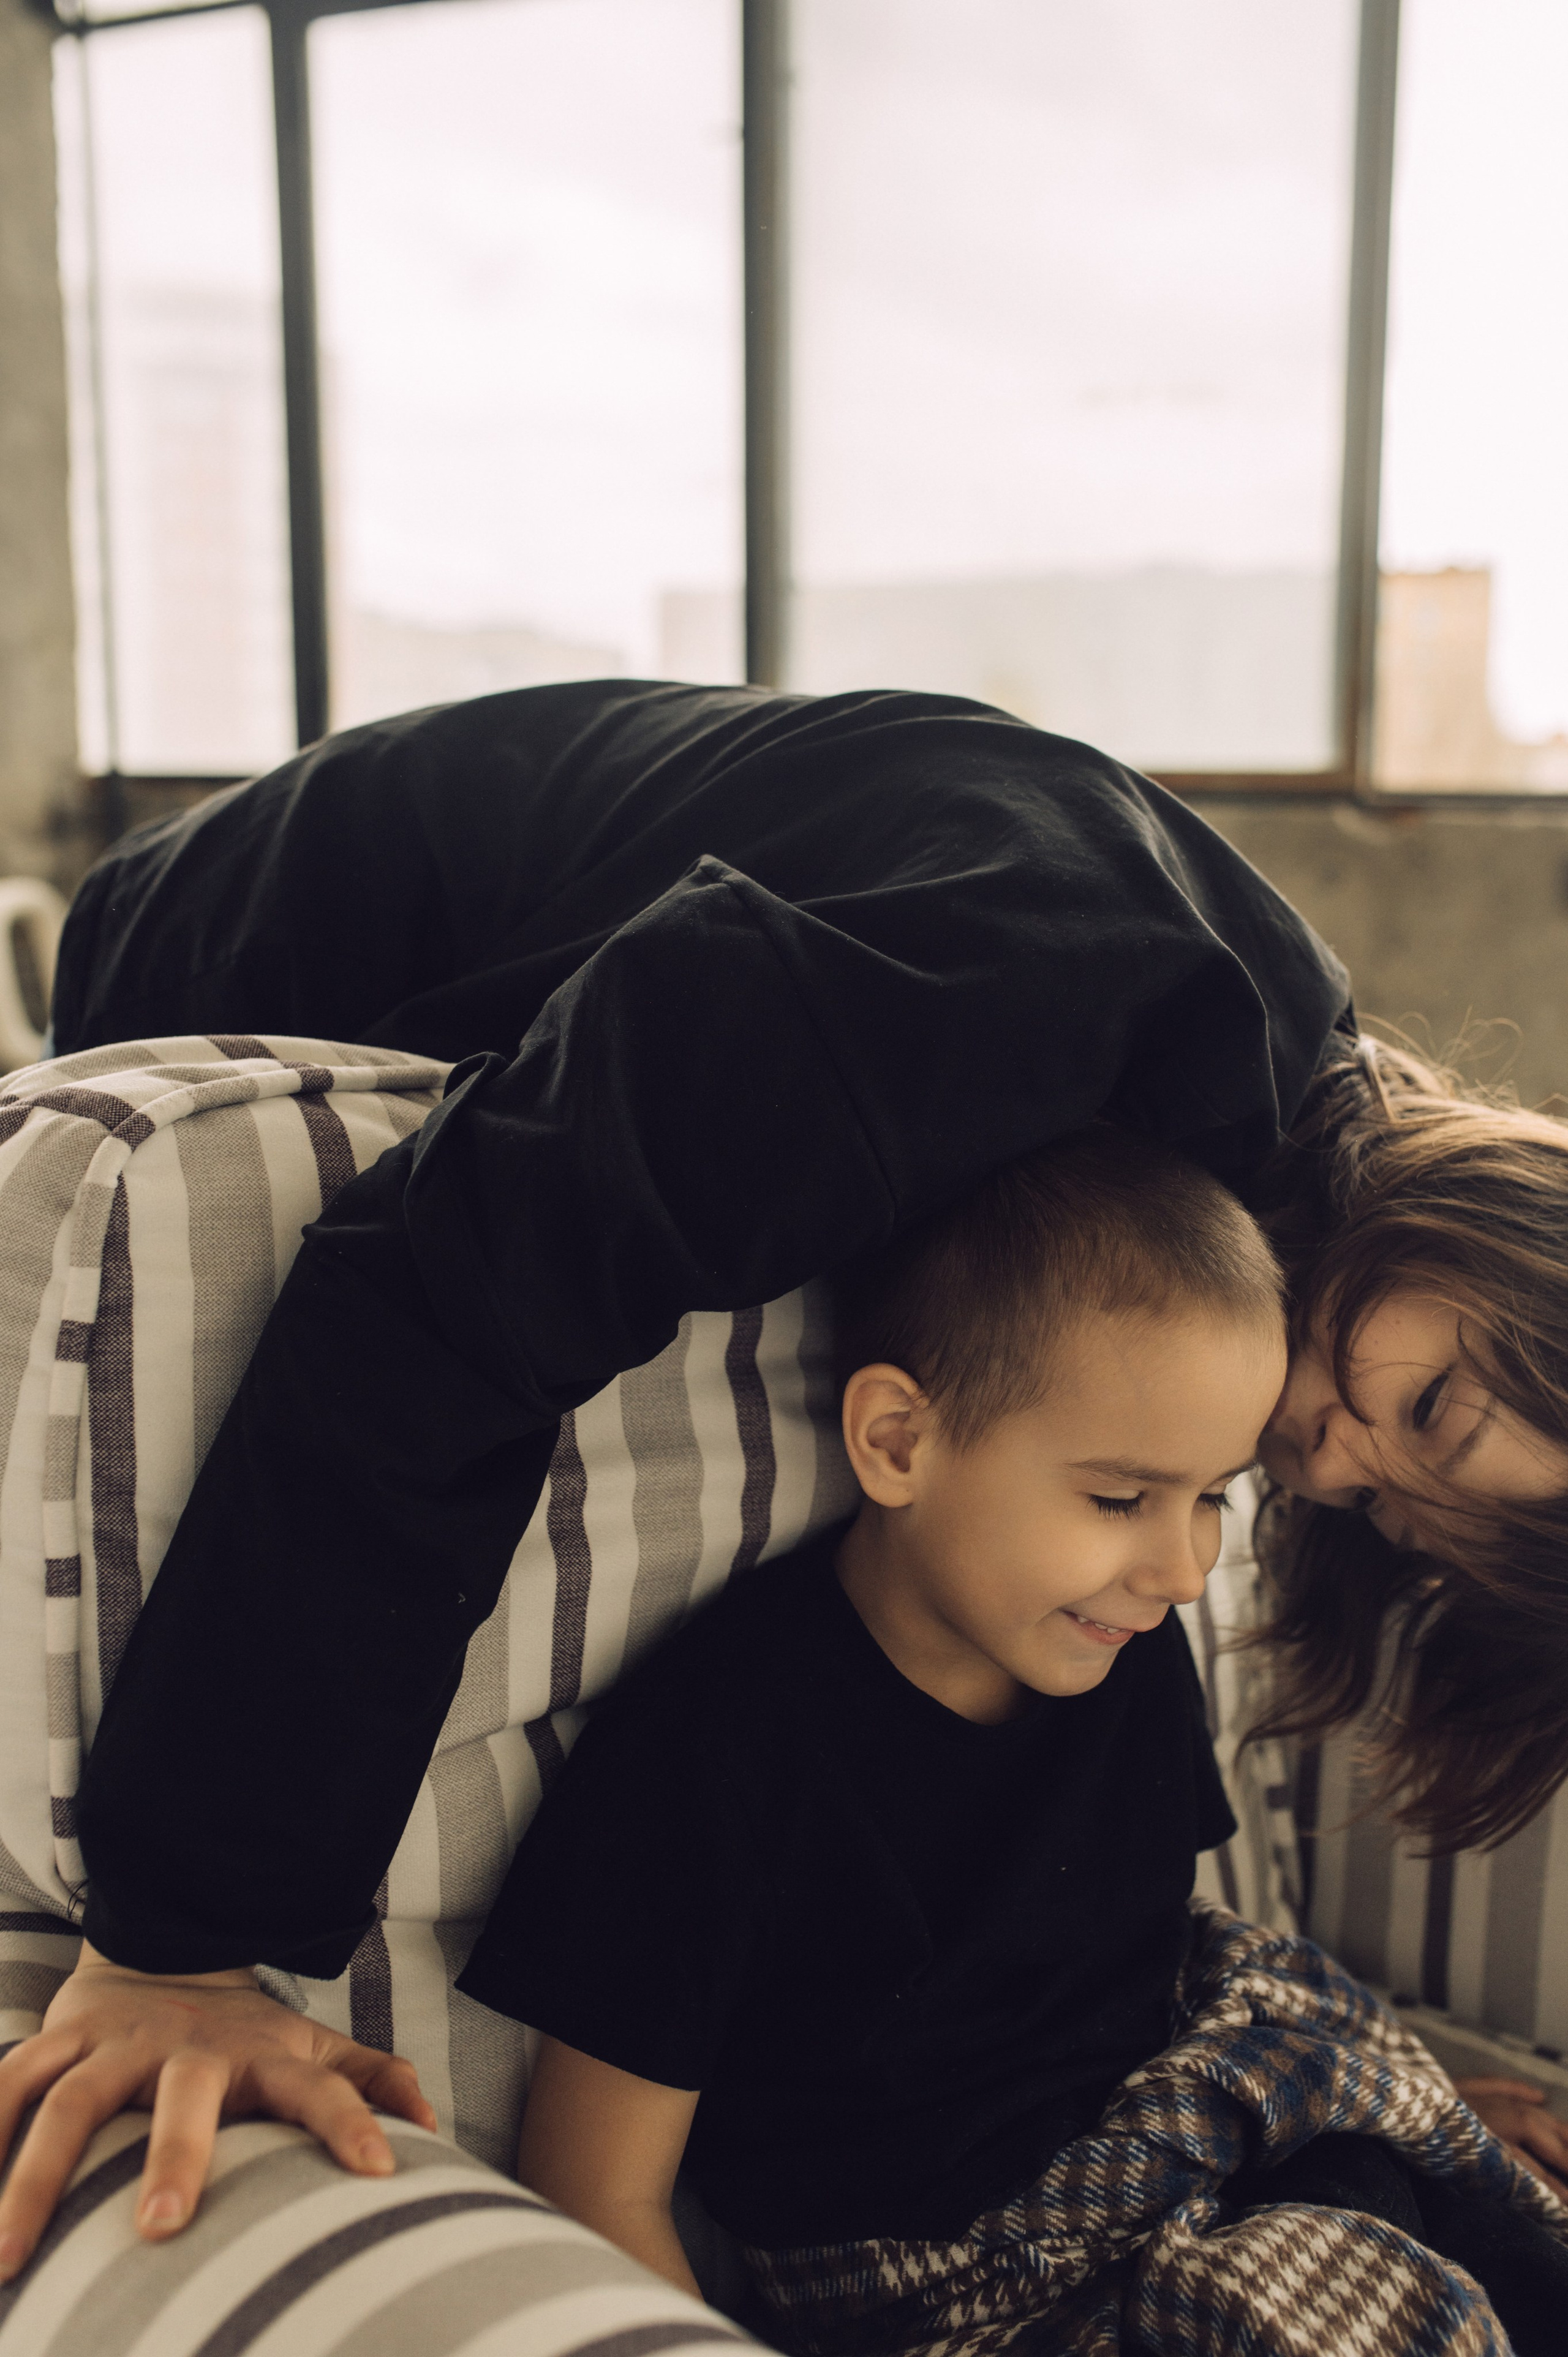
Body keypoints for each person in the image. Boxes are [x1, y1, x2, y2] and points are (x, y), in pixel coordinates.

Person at [0, 677, 1557, 2263]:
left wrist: (1380, 2085)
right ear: (1482, 1220)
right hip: (242, 928)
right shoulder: (1021, 986)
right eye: (1430, 1406)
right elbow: (448, 1288)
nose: (1326, 1456)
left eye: (1380, 1504)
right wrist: (184, 1950)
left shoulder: (1208, 1224)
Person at [461, 1129, 1568, 2351]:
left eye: (1212, 1496)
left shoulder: (1121, 1649)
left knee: (1490, 2238)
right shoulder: (716, 1752)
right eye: (1119, 1499)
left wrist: (1374, 2103)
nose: (1188, 1570)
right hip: (952, 2261)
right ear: (895, 1443)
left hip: (1186, 2136)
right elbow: (595, 2183)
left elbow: (1149, 1974)